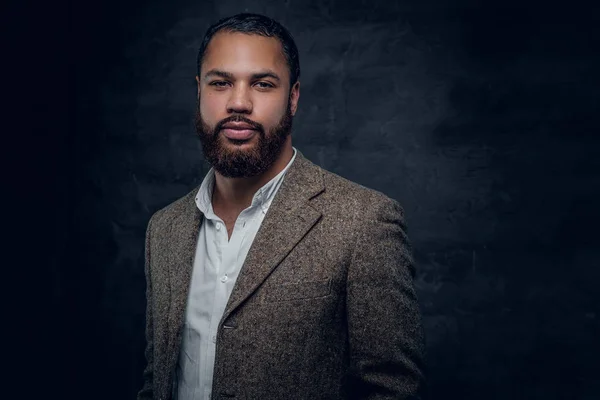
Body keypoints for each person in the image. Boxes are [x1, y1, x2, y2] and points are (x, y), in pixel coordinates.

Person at [137, 12, 426, 400]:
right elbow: (158, 382)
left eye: (263, 83)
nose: (238, 102)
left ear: (293, 97)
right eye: (220, 83)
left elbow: (393, 390)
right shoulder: (164, 229)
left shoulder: (364, 223)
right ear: (199, 91)